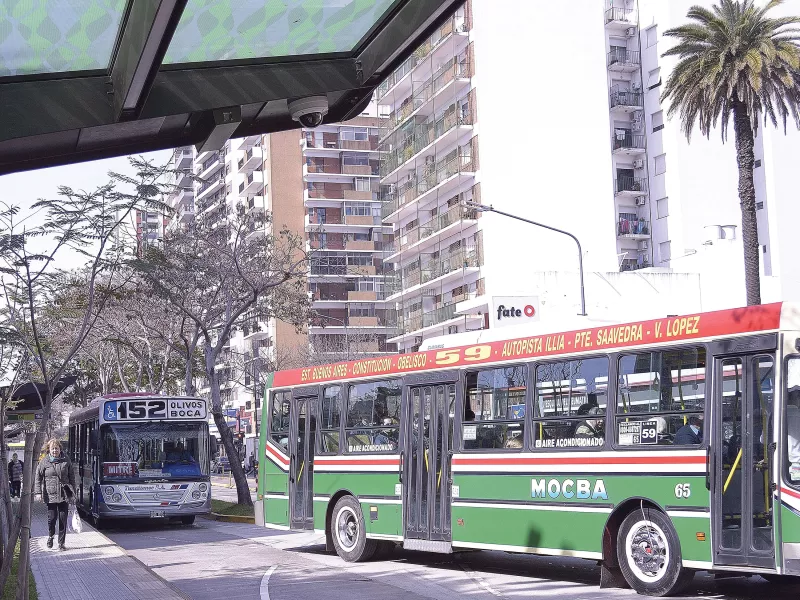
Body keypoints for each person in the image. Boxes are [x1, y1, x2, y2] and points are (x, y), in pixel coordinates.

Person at [35, 439, 76, 551]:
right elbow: (38, 477)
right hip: (50, 494)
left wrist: (73, 493)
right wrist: (38, 492)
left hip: (64, 494)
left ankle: (61, 543)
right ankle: (51, 536)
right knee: (52, 519)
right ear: (49, 449)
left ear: (60, 448)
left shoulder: (66, 459)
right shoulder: (44, 461)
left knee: (63, 520)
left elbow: (72, 476)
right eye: (52, 449)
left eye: (56, 448)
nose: (55, 451)